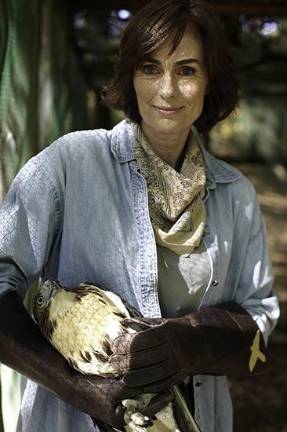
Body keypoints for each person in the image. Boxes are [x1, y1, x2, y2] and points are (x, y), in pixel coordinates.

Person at [0, 0, 279, 431]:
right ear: (131, 76)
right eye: (150, 68)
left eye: (186, 70)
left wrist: (188, 343)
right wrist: (81, 389)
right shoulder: (70, 163)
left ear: (210, 81)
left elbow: (259, 320)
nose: (166, 90)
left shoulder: (235, 195)